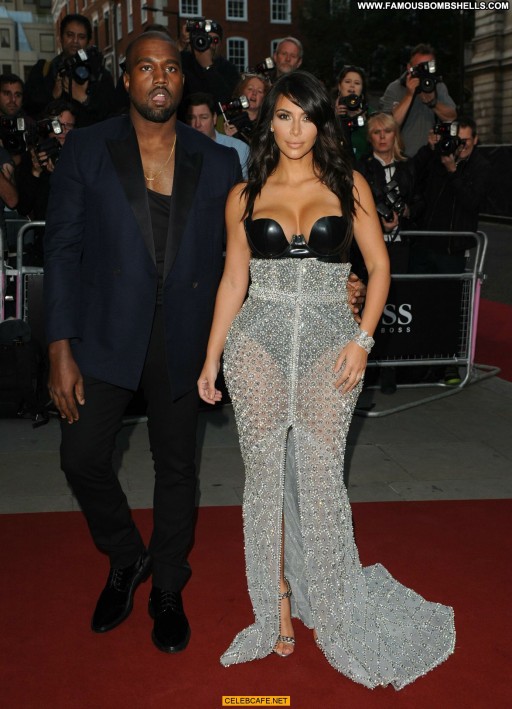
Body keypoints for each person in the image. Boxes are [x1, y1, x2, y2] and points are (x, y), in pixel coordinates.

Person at [198, 70, 455, 689]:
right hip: (256, 343)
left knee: (319, 480)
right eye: (284, 116)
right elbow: (233, 280)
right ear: (269, 121)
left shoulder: (349, 184)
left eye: (307, 117)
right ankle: (276, 603)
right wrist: (211, 358)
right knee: (263, 482)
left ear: (322, 123)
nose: (296, 130)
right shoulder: (244, 194)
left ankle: (336, 605)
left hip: (330, 346)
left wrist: (363, 341)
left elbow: (380, 267)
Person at [44, 32, 241, 654]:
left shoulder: (218, 161)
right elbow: (62, 248)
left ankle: (169, 585)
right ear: (126, 78)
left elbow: (242, 258)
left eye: (172, 68)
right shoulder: (87, 147)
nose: (160, 77)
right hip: (104, 330)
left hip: (185, 335)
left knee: (177, 467)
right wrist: (59, 345)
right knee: (81, 456)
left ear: (183, 80)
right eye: (147, 67)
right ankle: (127, 555)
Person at [23, 13, 115, 128]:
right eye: (70, 35)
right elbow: (28, 109)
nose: (75, 41)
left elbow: (111, 116)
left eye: (81, 37)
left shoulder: (100, 75)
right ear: (61, 37)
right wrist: (52, 96)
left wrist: (84, 99)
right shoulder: (43, 70)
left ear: (88, 41)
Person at [380, 44, 456, 157]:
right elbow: (388, 126)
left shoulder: (438, 86)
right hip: (401, 158)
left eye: (428, 66)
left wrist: (433, 102)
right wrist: (409, 95)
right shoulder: (395, 88)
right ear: (409, 67)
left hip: (430, 158)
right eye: (420, 67)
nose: (424, 72)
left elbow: (452, 117)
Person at [183, 92, 250, 177]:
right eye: (192, 118)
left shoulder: (239, 148)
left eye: (204, 117)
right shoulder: (179, 149)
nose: (197, 124)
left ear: (214, 118)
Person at [179, 19, 240, 111]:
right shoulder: (183, 60)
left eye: (215, 40)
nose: (210, 44)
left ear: (221, 44)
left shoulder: (229, 69)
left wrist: (208, 67)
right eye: (205, 39)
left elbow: (227, 102)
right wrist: (181, 44)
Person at [334, 65, 371, 162]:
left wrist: (363, 123)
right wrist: (334, 118)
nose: (352, 86)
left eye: (357, 83)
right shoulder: (328, 112)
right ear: (339, 86)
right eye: (347, 82)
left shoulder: (371, 114)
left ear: (362, 89)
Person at [223, 73, 270, 144]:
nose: (254, 93)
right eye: (250, 89)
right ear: (241, 92)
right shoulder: (227, 119)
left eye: (259, 91)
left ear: (264, 99)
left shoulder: (266, 125)